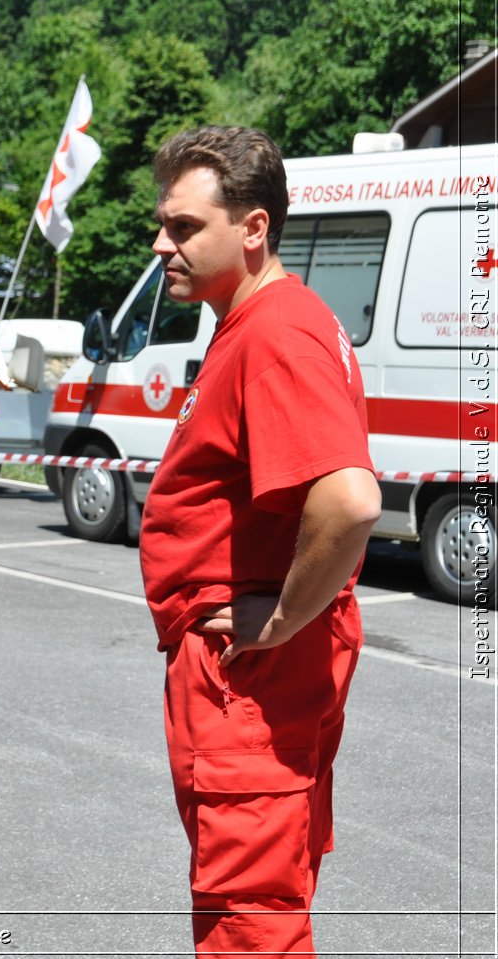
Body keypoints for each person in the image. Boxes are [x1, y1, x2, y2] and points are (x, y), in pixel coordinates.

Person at [139, 126, 381, 958]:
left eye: (183, 226)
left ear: (253, 229)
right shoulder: (256, 320)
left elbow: (349, 502)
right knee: (258, 905)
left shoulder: (275, 330)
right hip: (253, 681)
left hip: (250, 684)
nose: (160, 242)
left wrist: (280, 615)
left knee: (249, 924)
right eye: (163, 223)